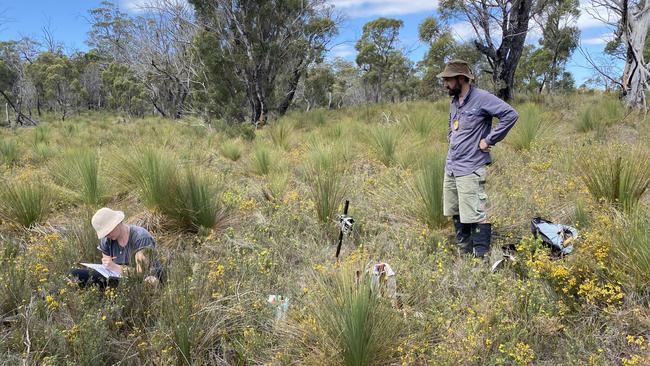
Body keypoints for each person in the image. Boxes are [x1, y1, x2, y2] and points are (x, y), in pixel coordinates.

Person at [437, 59, 518, 258]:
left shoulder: (482, 98)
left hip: (471, 167)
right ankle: (464, 253)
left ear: (461, 78)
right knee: (456, 211)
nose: (445, 84)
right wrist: (451, 137)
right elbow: (451, 125)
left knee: (475, 213)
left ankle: (480, 258)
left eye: (448, 80)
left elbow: (510, 114)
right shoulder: (454, 101)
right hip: (452, 166)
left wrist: (489, 139)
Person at [69, 207, 161, 288]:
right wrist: (107, 264)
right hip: (116, 278)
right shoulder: (107, 240)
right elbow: (107, 266)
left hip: (141, 280)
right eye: (104, 233)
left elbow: (141, 273)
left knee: (149, 282)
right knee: (73, 273)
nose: (107, 235)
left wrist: (115, 267)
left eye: (108, 231)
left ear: (117, 223)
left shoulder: (140, 238)